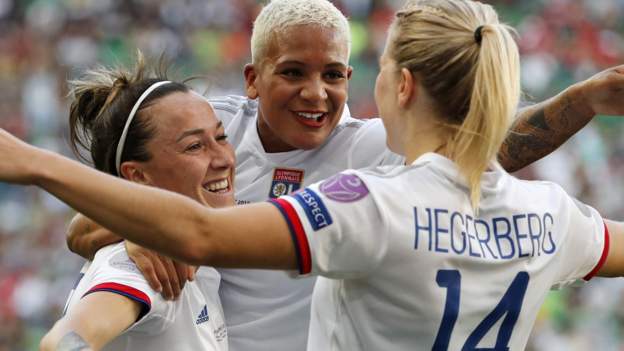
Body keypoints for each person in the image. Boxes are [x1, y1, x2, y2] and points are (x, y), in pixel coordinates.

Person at [1, 0, 624, 348]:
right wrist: (137, 230)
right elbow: (88, 229)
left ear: (395, 86)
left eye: (339, 74)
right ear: (252, 80)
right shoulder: (551, 213)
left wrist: (30, 163)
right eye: (293, 72)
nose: (319, 93)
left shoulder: (369, 189)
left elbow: (201, 236)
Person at [38, 57, 233, 351]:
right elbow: (63, 340)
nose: (225, 159)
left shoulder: (187, 246)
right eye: (194, 146)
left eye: (221, 137)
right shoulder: (146, 265)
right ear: (138, 176)